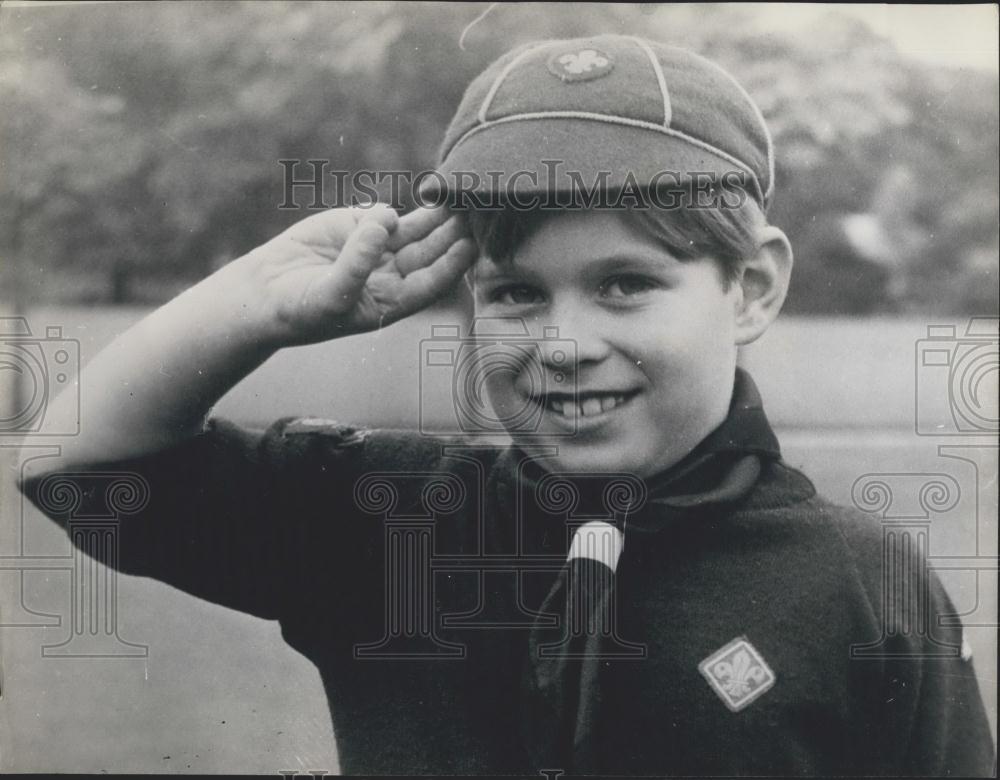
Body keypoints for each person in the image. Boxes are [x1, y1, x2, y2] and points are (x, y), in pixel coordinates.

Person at [20, 35, 995, 776]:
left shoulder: (865, 582)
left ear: (749, 288)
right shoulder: (389, 522)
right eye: (517, 292)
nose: (563, 344)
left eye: (624, 284)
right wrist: (257, 304)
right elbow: (72, 469)